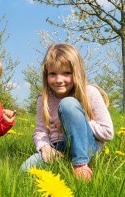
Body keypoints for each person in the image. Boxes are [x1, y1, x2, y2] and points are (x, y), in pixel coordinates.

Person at [21, 43, 114, 181]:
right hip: (57, 149)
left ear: (77, 73)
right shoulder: (43, 100)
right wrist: (45, 147)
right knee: (25, 169)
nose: (59, 80)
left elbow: (108, 133)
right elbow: (40, 132)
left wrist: (75, 121)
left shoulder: (90, 93)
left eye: (66, 73)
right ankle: (65, 164)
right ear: (46, 75)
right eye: (53, 74)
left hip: (86, 147)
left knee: (68, 104)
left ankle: (80, 165)